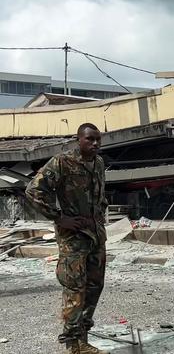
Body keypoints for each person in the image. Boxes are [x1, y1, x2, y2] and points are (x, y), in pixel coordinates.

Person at [26, 123, 108, 354]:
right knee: (74, 289)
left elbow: (100, 195)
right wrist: (59, 218)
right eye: (90, 139)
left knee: (94, 287)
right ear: (78, 140)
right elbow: (34, 190)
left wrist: (100, 216)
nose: (95, 144)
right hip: (73, 237)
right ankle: (73, 344)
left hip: (95, 235)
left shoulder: (99, 164)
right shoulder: (62, 162)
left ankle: (83, 339)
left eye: (98, 140)